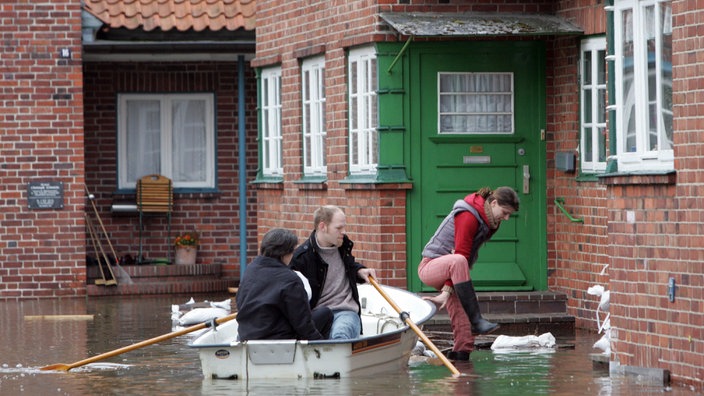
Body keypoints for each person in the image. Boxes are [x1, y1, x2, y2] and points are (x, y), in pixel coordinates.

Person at [419, 186, 520, 360]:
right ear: (493, 203)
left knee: (464, 334)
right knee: (459, 261)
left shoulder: (490, 222)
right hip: (431, 267)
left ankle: (461, 357)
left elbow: (468, 255)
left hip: (455, 270)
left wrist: (449, 290)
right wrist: (446, 291)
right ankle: (477, 321)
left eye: (510, 214)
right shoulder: (468, 215)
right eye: (505, 212)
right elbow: (461, 255)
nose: (507, 218)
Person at [290, 205, 377, 339]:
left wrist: (359, 270)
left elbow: (348, 266)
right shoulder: (301, 258)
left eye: (344, 227)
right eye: (338, 228)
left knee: (340, 335)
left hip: (345, 311)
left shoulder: (343, 245)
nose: (344, 231)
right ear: (322, 226)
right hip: (317, 316)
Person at [236, 228, 333, 341]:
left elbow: (240, 301)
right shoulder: (290, 279)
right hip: (279, 339)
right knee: (325, 313)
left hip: (246, 335)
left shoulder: (250, 269)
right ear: (285, 253)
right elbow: (302, 323)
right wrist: (320, 343)